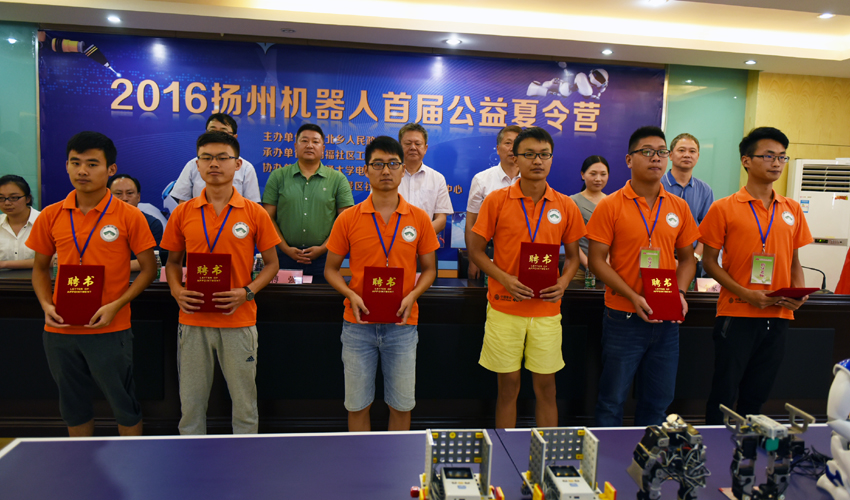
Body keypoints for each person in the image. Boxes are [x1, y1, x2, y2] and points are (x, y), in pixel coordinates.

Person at [26, 131, 157, 436]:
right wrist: (46, 305)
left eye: (92, 164)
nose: (82, 171)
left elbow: (149, 270)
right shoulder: (51, 215)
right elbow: (40, 268)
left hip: (109, 327)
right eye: (75, 163)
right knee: (72, 403)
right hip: (60, 328)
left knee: (123, 401)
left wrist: (116, 305)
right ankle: (80, 459)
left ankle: (131, 459)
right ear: (67, 166)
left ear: (111, 169)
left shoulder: (129, 216)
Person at [161, 131, 280, 435]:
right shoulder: (183, 212)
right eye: (206, 158)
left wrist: (247, 292)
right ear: (197, 165)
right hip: (193, 318)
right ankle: (192, 456)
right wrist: (176, 290)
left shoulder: (254, 213)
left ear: (237, 164)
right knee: (191, 404)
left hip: (238, 320)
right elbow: (172, 262)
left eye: (222, 158)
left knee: (244, 404)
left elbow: (272, 264)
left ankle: (245, 457)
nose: (214, 164)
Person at [468, 126, 585, 428]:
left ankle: (547, 453)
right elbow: (476, 250)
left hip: (546, 310)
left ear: (551, 159)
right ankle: (506, 451)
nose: (537, 161)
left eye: (544, 155)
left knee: (547, 388)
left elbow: (574, 257)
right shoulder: (496, 200)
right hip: (505, 306)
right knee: (508, 387)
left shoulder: (565, 205)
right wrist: (504, 278)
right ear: (515, 158)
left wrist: (563, 282)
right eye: (529, 154)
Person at [324, 136, 439, 432]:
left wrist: (414, 294)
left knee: (401, 405)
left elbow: (429, 270)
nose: (385, 171)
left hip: (403, 325)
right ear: (365, 170)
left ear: (403, 169)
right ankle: (359, 460)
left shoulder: (419, 219)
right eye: (377, 164)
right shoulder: (348, 218)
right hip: (357, 325)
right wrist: (350, 293)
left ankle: (396, 461)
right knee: (357, 404)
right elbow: (331, 270)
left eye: (392, 164)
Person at [587, 126, 700, 427]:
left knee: (658, 401)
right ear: (629, 159)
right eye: (647, 152)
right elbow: (596, 261)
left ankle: (649, 454)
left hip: (667, 319)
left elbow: (688, 259)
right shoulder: (610, 205)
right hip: (623, 317)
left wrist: (680, 293)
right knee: (612, 400)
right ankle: (608, 455)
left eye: (662, 152)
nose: (656, 158)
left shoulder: (679, 207)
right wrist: (632, 296)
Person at [701, 127, 813, 424]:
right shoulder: (723, 207)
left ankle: (748, 448)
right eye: (768, 156)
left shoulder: (792, 209)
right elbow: (709, 262)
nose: (776, 163)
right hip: (737, 312)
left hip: (778, 314)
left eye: (782, 157)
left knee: (757, 394)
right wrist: (745, 293)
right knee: (724, 393)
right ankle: (716, 447)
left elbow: (794, 260)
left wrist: (799, 292)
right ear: (746, 160)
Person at [262, 123, 353, 281]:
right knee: (283, 297)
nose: (310, 145)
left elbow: (345, 220)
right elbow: (267, 218)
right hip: (284, 257)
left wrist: (323, 248)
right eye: (304, 141)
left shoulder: (338, 179)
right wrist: (285, 248)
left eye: (315, 142)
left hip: (325, 258)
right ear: (295, 147)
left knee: (323, 298)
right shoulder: (278, 176)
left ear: (323, 148)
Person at [466, 125, 521, 279]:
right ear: (498, 149)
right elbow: (471, 223)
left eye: (517, 143)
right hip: (488, 250)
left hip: (521, 251)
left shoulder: (531, 181)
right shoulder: (481, 179)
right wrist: (473, 259)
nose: (512, 148)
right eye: (508, 143)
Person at [171, 113, 261, 203]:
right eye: (212, 131)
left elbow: (252, 203)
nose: (217, 135)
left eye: (223, 132)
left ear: (234, 137)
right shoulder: (192, 165)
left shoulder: (246, 168)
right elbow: (183, 200)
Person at [663, 133, 714, 271]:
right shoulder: (658, 185)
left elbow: (707, 229)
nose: (687, 155)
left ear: (698, 156)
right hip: (660, 256)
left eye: (692, 151)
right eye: (681, 150)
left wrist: (695, 257)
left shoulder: (705, 190)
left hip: (693, 258)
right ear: (670, 155)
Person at [397, 123, 453, 234]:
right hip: (392, 241)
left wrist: (419, 236)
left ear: (425, 148)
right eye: (408, 143)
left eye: (418, 144)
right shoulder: (387, 175)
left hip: (425, 240)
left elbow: (441, 219)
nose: (413, 147)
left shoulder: (437, 178)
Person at [107, 174, 167, 271]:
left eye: (130, 193)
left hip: (137, 277)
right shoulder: (97, 221)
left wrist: (108, 267)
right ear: (107, 197)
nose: (124, 198)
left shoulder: (152, 224)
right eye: (118, 193)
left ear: (138, 197)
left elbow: (151, 262)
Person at [570, 155, 609, 280]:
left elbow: (616, 239)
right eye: (593, 174)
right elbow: (571, 239)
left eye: (603, 174)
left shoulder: (613, 202)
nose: (598, 179)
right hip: (580, 272)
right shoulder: (572, 202)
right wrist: (588, 264)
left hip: (608, 271)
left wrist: (607, 264)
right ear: (583, 175)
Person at [0, 174, 39, 270]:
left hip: (40, 278)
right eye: (1, 198)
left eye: (14, 198)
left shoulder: (46, 222)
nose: (7, 203)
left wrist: (4, 264)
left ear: (28, 198)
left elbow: (56, 258)